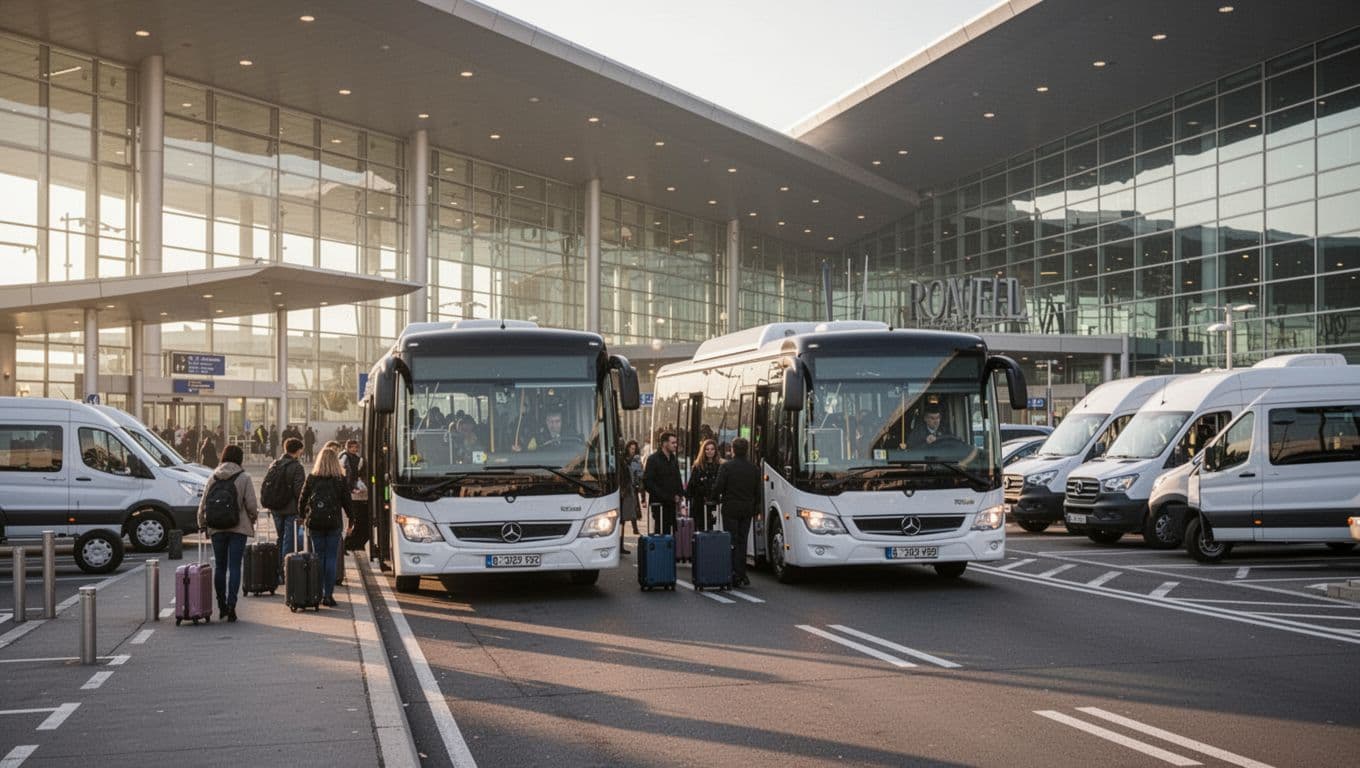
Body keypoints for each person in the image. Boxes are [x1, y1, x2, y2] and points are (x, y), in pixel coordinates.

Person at [197, 444, 259, 622]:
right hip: (238, 528)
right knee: (234, 567)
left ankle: (221, 604)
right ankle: (232, 604)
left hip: (217, 528)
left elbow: (203, 504)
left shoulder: (213, 476)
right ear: (240, 458)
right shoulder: (244, 477)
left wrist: (202, 524)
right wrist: (252, 518)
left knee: (220, 567)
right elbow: (252, 505)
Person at [298, 447, 348, 607]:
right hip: (334, 523)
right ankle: (328, 595)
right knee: (331, 558)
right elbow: (347, 501)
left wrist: (302, 515)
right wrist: (352, 519)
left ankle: (316, 594)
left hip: (315, 523)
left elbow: (302, 499)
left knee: (318, 557)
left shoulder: (312, 478)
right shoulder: (340, 479)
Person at [713, 437, 760, 587]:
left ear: (732, 450)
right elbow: (757, 492)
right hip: (747, 509)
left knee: (732, 541)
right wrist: (755, 507)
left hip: (730, 508)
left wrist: (713, 497)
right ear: (747, 450)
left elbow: (719, 486)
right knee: (742, 540)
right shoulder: (754, 469)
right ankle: (742, 573)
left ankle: (733, 573)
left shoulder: (727, 467)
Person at [263, 437, 307, 580]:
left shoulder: (274, 464)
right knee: (289, 540)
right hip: (290, 509)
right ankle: (284, 570)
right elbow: (299, 491)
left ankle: (277, 569)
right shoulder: (297, 467)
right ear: (298, 450)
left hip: (276, 508)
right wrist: (304, 510)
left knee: (281, 538)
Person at [643, 431, 683, 535]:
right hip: (659, 504)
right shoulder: (653, 459)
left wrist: (680, 494)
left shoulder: (673, 459)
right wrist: (664, 495)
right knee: (661, 532)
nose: (675, 445)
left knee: (673, 532)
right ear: (665, 444)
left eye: (676, 443)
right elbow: (648, 482)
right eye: (673, 443)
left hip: (672, 504)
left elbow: (677, 478)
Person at [340, 439, 367, 578]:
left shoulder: (355, 458)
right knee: (350, 519)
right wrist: (352, 489)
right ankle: (344, 544)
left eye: (356, 447)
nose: (355, 449)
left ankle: (345, 544)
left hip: (351, 491)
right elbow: (347, 475)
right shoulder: (345, 457)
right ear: (347, 447)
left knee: (351, 519)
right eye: (352, 447)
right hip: (348, 493)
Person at [686, 438, 722, 531]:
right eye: (707, 449)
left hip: (714, 504)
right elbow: (691, 486)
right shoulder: (697, 466)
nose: (710, 451)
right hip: (699, 504)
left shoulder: (720, 467)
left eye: (712, 449)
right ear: (703, 451)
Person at [624, 440, 644, 536]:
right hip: (625, 487)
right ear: (628, 448)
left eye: (634, 449)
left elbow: (640, 475)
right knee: (626, 509)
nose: (633, 450)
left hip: (632, 487)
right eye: (631, 448)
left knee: (634, 508)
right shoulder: (624, 459)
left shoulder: (636, 460)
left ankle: (635, 528)